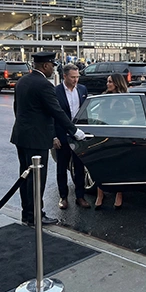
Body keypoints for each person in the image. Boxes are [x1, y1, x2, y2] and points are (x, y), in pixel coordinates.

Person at [10, 52, 86, 227]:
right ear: (45, 66)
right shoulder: (44, 84)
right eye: (52, 65)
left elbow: (17, 109)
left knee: (25, 178)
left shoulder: (22, 81)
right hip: (37, 140)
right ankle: (37, 215)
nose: (53, 68)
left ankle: (27, 214)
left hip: (21, 137)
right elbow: (56, 111)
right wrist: (74, 131)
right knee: (37, 179)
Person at [53, 63, 91, 209]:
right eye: (73, 77)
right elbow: (51, 116)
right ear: (64, 76)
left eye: (77, 77)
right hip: (62, 134)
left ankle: (80, 196)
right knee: (62, 167)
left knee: (80, 167)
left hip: (78, 134)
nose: (76, 80)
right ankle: (63, 197)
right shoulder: (56, 92)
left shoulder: (82, 89)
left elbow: (85, 112)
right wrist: (54, 136)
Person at [94, 73, 126, 210]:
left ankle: (119, 194)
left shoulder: (126, 99)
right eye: (107, 82)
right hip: (104, 133)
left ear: (117, 83)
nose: (108, 84)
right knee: (102, 163)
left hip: (119, 134)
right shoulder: (104, 97)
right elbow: (99, 115)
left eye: (111, 82)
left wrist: (125, 122)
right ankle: (100, 194)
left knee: (118, 165)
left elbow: (133, 116)